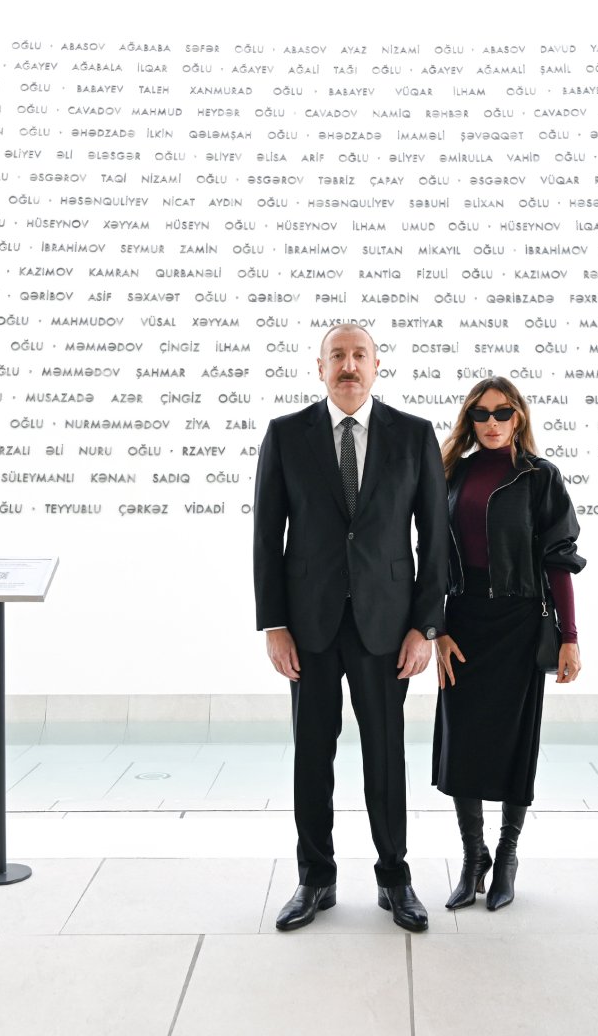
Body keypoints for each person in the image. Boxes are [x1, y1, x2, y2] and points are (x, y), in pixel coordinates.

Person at [252, 322, 449, 932]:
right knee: (312, 755)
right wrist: (274, 624)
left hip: (387, 629)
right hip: (308, 628)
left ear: (376, 364)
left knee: (385, 757)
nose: (348, 365)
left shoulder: (414, 436)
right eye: (336, 355)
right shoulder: (286, 435)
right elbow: (266, 536)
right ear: (319, 367)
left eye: (358, 354)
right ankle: (316, 879)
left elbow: (434, 542)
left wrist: (426, 627)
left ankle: (396, 878)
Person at [432, 376, 584, 911]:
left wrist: (569, 637)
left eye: (502, 412)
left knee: (517, 741)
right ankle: (474, 858)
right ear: (469, 420)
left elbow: (559, 561)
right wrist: (438, 628)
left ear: (518, 416)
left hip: (519, 624)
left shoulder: (540, 478)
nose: (491, 423)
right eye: (480, 414)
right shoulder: (452, 473)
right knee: (462, 742)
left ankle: (507, 853)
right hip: (464, 622)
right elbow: (430, 558)